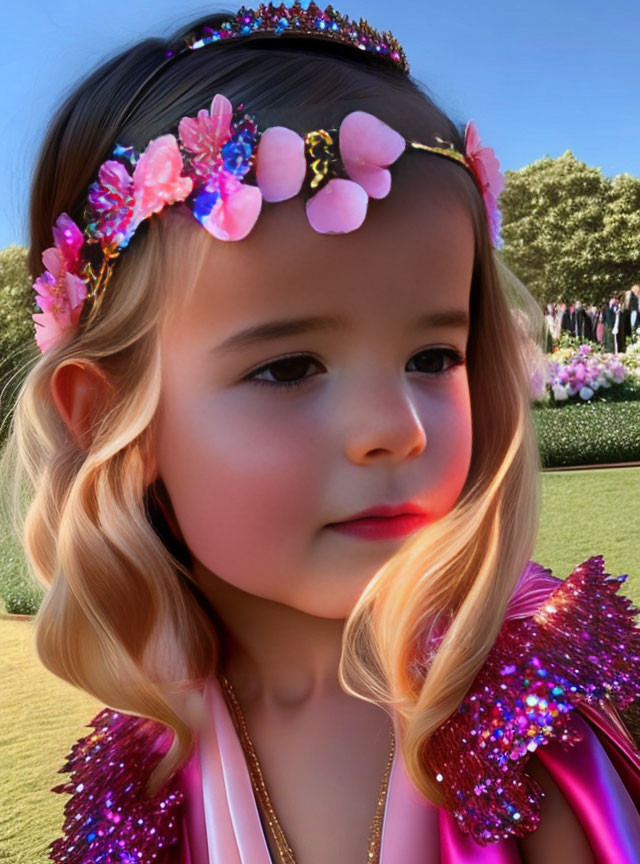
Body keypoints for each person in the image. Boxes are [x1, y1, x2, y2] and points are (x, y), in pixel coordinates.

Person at [2, 4, 640, 863]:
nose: (396, 430)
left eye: (430, 355)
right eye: (290, 368)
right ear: (112, 417)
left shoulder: (540, 718)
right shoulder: (142, 778)